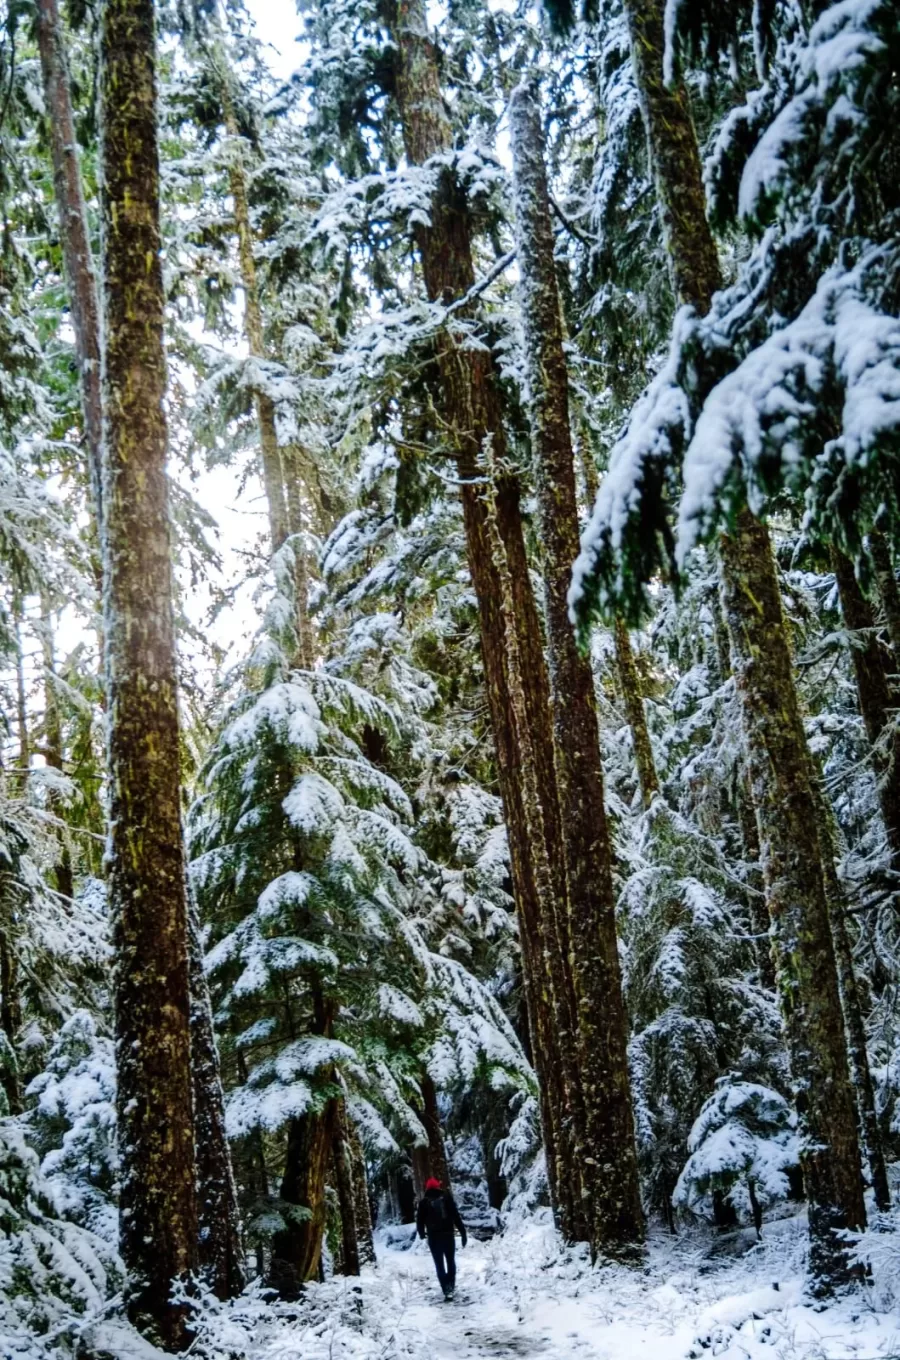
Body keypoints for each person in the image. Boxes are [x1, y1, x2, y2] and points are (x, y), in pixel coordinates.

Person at [416, 1176, 467, 1299]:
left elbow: (419, 1221)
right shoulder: (446, 1199)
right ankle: (451, 1286)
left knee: (439, 1264)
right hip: (448, 1236)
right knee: (450, 1261)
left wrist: (422, 1234)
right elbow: (456, 1216)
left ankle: (445, 1288)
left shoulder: (423, 1203)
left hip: (434, 1238)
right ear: (438, 1187)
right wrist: (463, 1233)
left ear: (427, 1188)